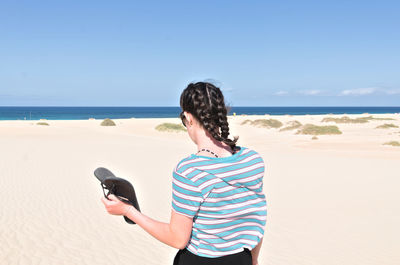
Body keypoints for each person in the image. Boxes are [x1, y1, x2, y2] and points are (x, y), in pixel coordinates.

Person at [101, 82, 267, 265]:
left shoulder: (190, 171)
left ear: (188, 118)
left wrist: (128, 211)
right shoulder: (252, 160)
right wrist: (254, 259)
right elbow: (257, 223)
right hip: (241, 259)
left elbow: (177, 239)